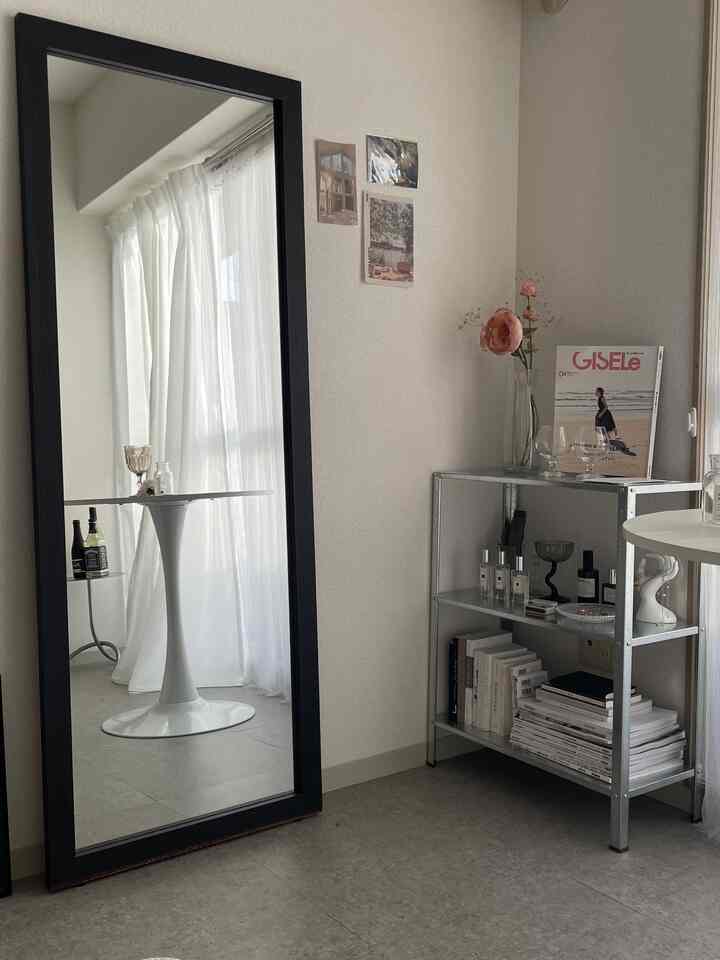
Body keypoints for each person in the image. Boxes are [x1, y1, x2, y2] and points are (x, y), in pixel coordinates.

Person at [595, 387, 637, 457]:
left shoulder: (602, 398)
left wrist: (601, 414)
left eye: (596, 392)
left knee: (605, 428)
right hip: (601, 414)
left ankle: (608, 444)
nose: (595, 393)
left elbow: (606, 407)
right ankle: (607, 443)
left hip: (605, 415)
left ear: (599, 392)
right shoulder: (599, 398)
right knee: (602, 429)